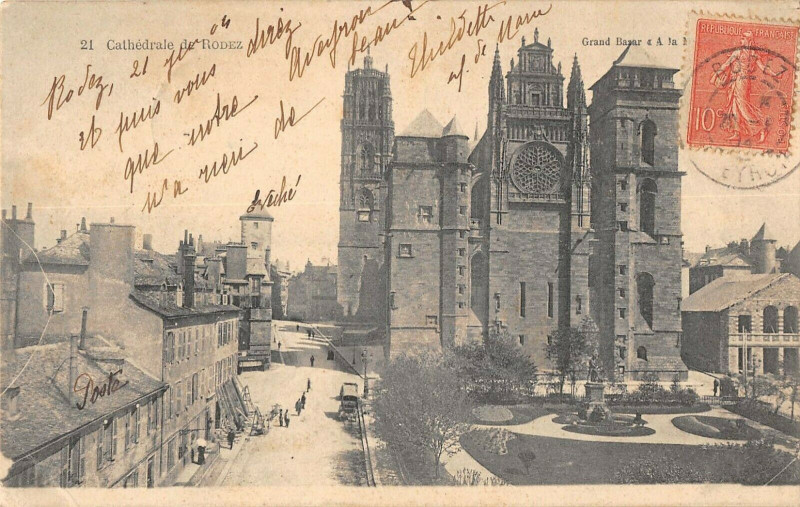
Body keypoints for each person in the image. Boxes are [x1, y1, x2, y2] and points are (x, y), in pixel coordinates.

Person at [711, 30, 782, 143]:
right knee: (735, 106)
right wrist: (715, 75)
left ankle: (761, 128)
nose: (741, 40)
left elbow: (763, 68)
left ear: (748, 41)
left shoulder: (752, 54)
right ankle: (736, 133)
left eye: (743, 38)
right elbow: (726, 64)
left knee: (743, 107)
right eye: (741, 38)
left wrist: (775, 74)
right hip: (736, 81)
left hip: (743, 82)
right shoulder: (738, 52)